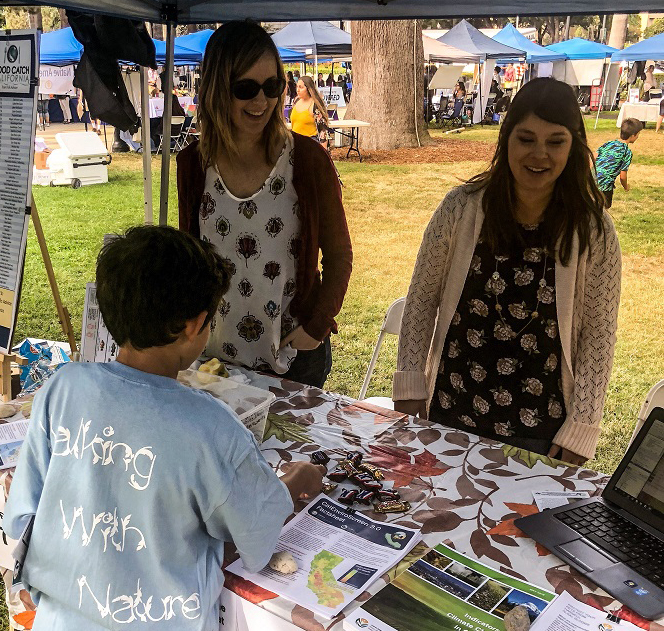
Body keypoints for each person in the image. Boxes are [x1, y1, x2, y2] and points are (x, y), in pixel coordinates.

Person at [3, 225, 325, 631]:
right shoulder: (208, 426)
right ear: (194, 326)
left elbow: (24, 511)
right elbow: (256, 531)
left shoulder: (64, 389)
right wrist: (297, 485)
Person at [393, 77, 622, 466]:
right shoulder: (461, 208)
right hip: (452, 406)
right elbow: (422, 300)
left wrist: (582, 429)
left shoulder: (594, 231)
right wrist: (411, 382)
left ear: (574, 146)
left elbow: (598, 338)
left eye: (556, 141)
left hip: (539, 429)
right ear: (506, 139)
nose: (540, 154)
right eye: (526, 138)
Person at [177, 20, 352, 389]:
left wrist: (316, 326)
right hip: (213, 359)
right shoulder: (194, 163)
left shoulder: (307, 160)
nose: (262, 101)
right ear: (216, 90)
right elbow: (189, 257)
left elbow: (339, 255)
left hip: (293, 358)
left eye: (272, 86)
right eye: (245, 88)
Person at [596, 117, 643, 208]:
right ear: (633, 135)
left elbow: (593, 157)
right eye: (638, 134)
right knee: (604, 210)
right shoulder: (626, 152)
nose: (638, 137)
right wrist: (626, 186)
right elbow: (623, 176)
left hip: (591, 181)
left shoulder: (609, 143)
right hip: (605, 186)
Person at [290, 74, 332, 146]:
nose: (298, 90)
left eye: (301, 87)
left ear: (308, 88)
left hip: (310, 144)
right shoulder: (296, 101)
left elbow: (323, 130)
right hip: (295, 143)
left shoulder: (315, 104)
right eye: (297, 87)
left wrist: (323, 151)